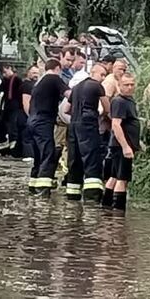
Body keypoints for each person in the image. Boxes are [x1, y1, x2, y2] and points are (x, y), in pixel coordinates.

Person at [64, 64, 110, 202]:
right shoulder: (97, 86)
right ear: (93, 72)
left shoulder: (76, 88)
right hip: (88, 123)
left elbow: (66, 109)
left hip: (73, 125)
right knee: (92, 157)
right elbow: (107, 107)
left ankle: (73, 194)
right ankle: (92, 196)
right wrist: (101, 114)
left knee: (74, 159)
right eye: (102, 74)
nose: (103, 78)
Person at [27, 59, 70, 198]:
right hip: (43, 121)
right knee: (48, 152)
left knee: (38, 154)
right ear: (57, 68)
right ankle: (43, 188)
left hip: (32, 120)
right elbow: (69, 94)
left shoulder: (40, 81)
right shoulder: (54, 78)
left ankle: (33, 184)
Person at [102, 73, 140, 212]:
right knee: (122, 178)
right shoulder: (119, 102)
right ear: (119, 86)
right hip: (121, 146)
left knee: (113, 176)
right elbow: (116, 125)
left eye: (132, 84)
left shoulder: (128, 100)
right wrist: (125, 147)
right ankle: (119, 213)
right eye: (126, 85)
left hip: (122, 145)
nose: (130, 87)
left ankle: (106, 208)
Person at [0, 64, 23, 157]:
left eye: (5, 72)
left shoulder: (18, 81)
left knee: (13, 132)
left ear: (10, 68)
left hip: (16, 109)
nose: (4, 75)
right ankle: (5, 151)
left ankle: (15, 153)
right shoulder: (5, 81)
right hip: (6, 109)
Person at [19, 66, 41, 164]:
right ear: (28, 73)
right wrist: (30, 115)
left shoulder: (36, 84)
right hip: (27, 115)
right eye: (33, 72)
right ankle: (29, 155)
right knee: (27, 136)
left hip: (34, 114)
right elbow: (26, 102)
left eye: (37, 73)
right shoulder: (27, 85)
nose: (35, 75)